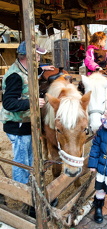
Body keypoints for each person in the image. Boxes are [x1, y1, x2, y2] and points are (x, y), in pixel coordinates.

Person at [0, 41, 55, 184]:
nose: (39, 58)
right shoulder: (15, 76)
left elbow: (30, 74)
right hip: (16, 124)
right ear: (28, 56)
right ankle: (23, 192)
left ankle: (31, 187)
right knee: (22, 161)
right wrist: (33, 103)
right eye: (37, 55)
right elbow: (8, 103)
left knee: (30, 157)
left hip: (24, 123)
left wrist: (42, 69)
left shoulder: (24, 69)